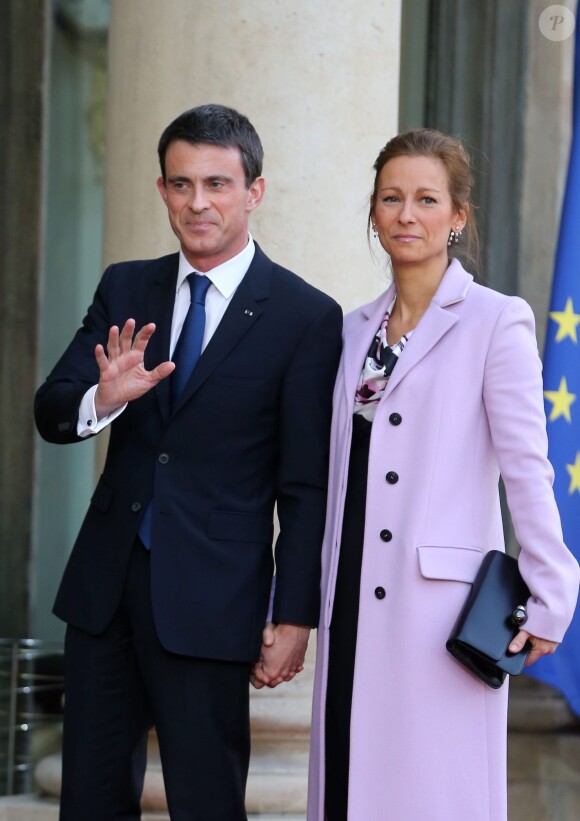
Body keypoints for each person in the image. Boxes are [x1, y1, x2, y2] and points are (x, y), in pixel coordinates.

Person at [34, 103, 342, 821]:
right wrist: (100, 398)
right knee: (88, 799)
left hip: (215, 597)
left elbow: (304, 485)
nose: (197, 202)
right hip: (104, 590)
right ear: (162, 189)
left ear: (253, 191)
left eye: (216, 183)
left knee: (206, 802)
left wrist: (294, 615)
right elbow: (52, 411)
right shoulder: (125, 285)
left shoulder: (304, 315)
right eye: (180, 184)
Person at [307, 128, 580, 821]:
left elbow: (527, 465)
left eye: (427, 199)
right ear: (373, 211)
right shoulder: (350, 331)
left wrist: (552, 586)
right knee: (346, 790)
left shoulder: (496, 320)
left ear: (457, 216)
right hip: (348, 602)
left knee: (431, 795)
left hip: (438, 613)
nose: (407, 214)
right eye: (391, 198)